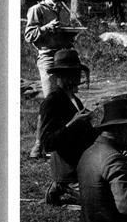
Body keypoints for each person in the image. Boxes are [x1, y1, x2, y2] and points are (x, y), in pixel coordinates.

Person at [24, 0, 83, 158]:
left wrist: (71, 33)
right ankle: (40, 143)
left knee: (68, 98)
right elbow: (28, 35)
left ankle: (61, 141)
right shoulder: (38, 10)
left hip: (65, 56)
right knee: (51, 101)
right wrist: (45, 29)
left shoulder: (63, 8)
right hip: (48, 57)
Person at [39, 49, 97, 205]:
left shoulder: (74, 100)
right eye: (72, 73)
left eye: (77, 72)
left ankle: (62, 185)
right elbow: (47, 144)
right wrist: (73, 123)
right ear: (61, 75)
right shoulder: (51, 102)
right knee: (96, 201)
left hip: (83, 164)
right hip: (68, 168)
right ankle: (61, 184)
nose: (77, 77)